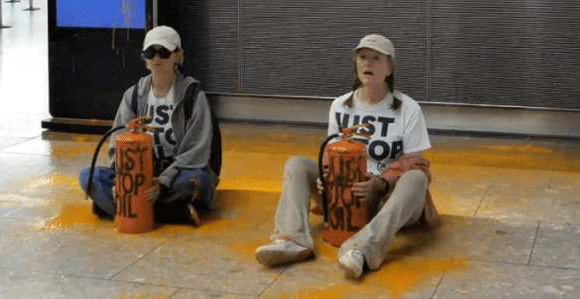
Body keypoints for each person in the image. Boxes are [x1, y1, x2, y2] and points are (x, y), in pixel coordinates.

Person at [255, 34, 438, 279]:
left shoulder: (408, 108)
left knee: (417, 178)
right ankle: (292, 240)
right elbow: (332, 151)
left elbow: (414, 161)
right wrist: (327, 176)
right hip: (343, 198)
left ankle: (360, 249)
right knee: (297, 164)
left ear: (390, 67)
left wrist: (381, 183)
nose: (368, 64)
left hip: (385, 200)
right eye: (363, 57)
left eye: (376, 58)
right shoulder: (340, 105)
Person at [79, 25, 218, 226]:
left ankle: (120, 208)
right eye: (150, 52)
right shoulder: (134, 95)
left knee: (196, 181)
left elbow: (196, 153)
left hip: (177, 173)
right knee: (89, 176)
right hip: (138, 174)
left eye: (164, 52)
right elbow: (118, 143)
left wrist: (161, 183)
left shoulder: (193, 96)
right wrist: (122, 179)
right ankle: (170, 212)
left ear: (178, 56)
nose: (157, 59)